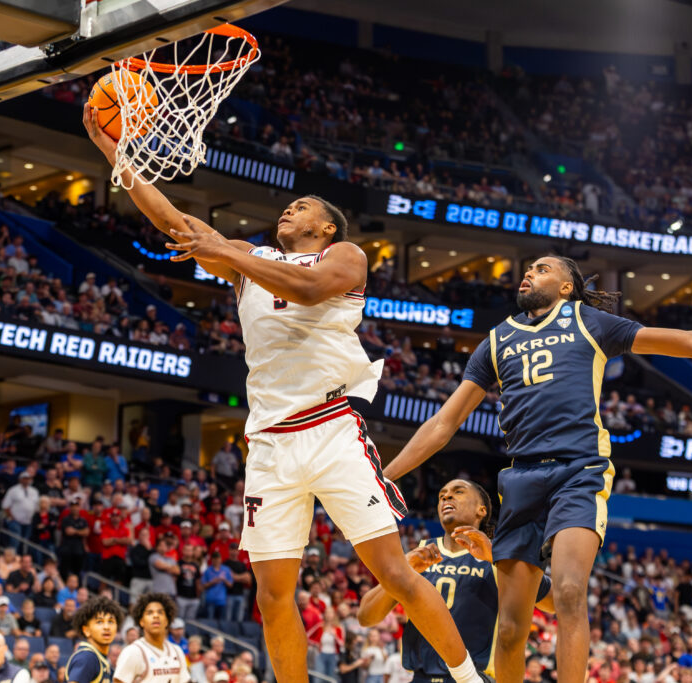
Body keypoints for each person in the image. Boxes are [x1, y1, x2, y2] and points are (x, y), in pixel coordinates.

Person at [85, 103, 478, 683]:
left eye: (304, 207)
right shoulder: (249, 259)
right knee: (271, 596)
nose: (288, 209)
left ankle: (470, 677)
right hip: (269, 444)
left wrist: (229, 253)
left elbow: (311, 288)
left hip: (331, 430)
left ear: (324, 227)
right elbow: (176, 222)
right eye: (288, 206)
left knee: (393, 573)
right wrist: (115, 153)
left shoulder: (343, 255)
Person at [381, 255, 692, 683]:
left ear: (566, 287)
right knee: (508, 629)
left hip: (579, 471)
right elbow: (444, 423)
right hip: (521, 477)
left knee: (567, 592)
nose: (528, 272)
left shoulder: (589, 321)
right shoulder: (498, 338)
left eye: (542, 269)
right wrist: (385, 477)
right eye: (527, 268)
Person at [358, 479, 554, 679]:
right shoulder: (420, 553)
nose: (446, 496)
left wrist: (497, 559)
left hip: (474, 676)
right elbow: (366, 616)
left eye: (458, 492)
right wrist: (405, 569)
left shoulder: (499, 555)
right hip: (421, 676)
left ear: (481, 510)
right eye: (442, 494)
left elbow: (554, 603)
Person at [113, 593, 189, 683]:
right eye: (150, 613)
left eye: (160, 612)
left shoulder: (177, 651)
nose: (155, 616)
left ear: (167, 620)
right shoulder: (133, 652)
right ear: (141, 621)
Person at [65, 596, 125, 683]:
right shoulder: (87, 657)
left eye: (111, 622)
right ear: (86, 630)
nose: (106, 627)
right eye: (99, 622)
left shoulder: (99, 657)